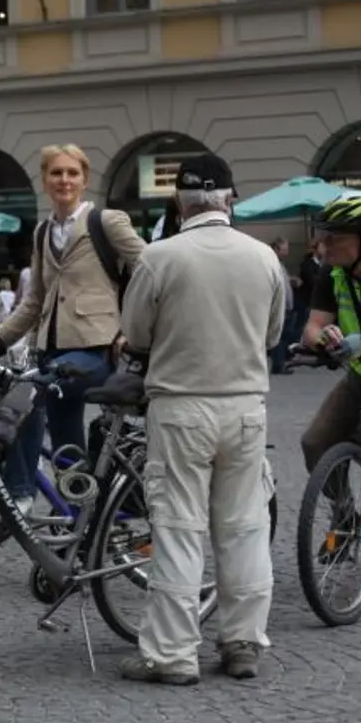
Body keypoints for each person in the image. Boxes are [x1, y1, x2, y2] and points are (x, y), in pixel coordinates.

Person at [117, 153, 284, 684]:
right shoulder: (264, 259)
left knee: (179, 529)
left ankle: (172, 654)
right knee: (244, 528)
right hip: (245, 408)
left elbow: (137, 335)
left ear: (179, 202)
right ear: (229, 198)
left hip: (180, 407)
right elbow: (273, 336)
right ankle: (242, 643)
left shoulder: (160, 257)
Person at [0, 143, 145, 506]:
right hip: (52, 352)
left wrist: (130, 330)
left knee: (29, 392)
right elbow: (35, 300)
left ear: (85, 179)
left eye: (72, 173)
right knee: (67, 452)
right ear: (45, 179)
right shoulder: (43, 232)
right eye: (56, 173)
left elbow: (152, 271)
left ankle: (20, 495)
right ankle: (80, 522)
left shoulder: (105, 222)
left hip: (98, 351)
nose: (64, 180)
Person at [297, 191, 361, 476]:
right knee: (315, 442)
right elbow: (311, 329)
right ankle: (346, 513)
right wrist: (325, 337)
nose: (324, 246)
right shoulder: (332, 272)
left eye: (334, 237)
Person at [269, 237, 297, 374]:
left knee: (285, 336)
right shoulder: (273, 264)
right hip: (281, 307)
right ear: (276, 249)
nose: (287, 252)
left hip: (287, 307)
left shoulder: (280, 264)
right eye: (284, 249)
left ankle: (280, 363)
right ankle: (278, 365)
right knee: (280, 338)